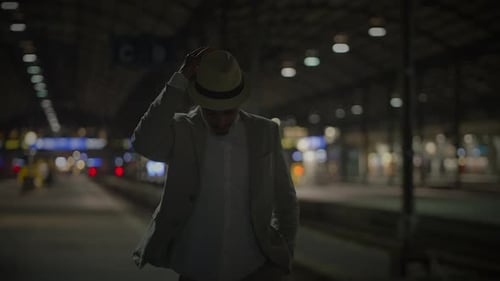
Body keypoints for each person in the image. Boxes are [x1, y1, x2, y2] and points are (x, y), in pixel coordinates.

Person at [131, 47, 299, 281]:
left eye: (228, 112)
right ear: (200, 102)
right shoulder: (182, 130)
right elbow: (143, 142)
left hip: (252, 269)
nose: (220, 121)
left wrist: (284, 253)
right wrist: (179, 80)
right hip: (195, 269)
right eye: (212, 113)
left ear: (239, 102)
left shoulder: (265, 132)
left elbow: (285, 199)